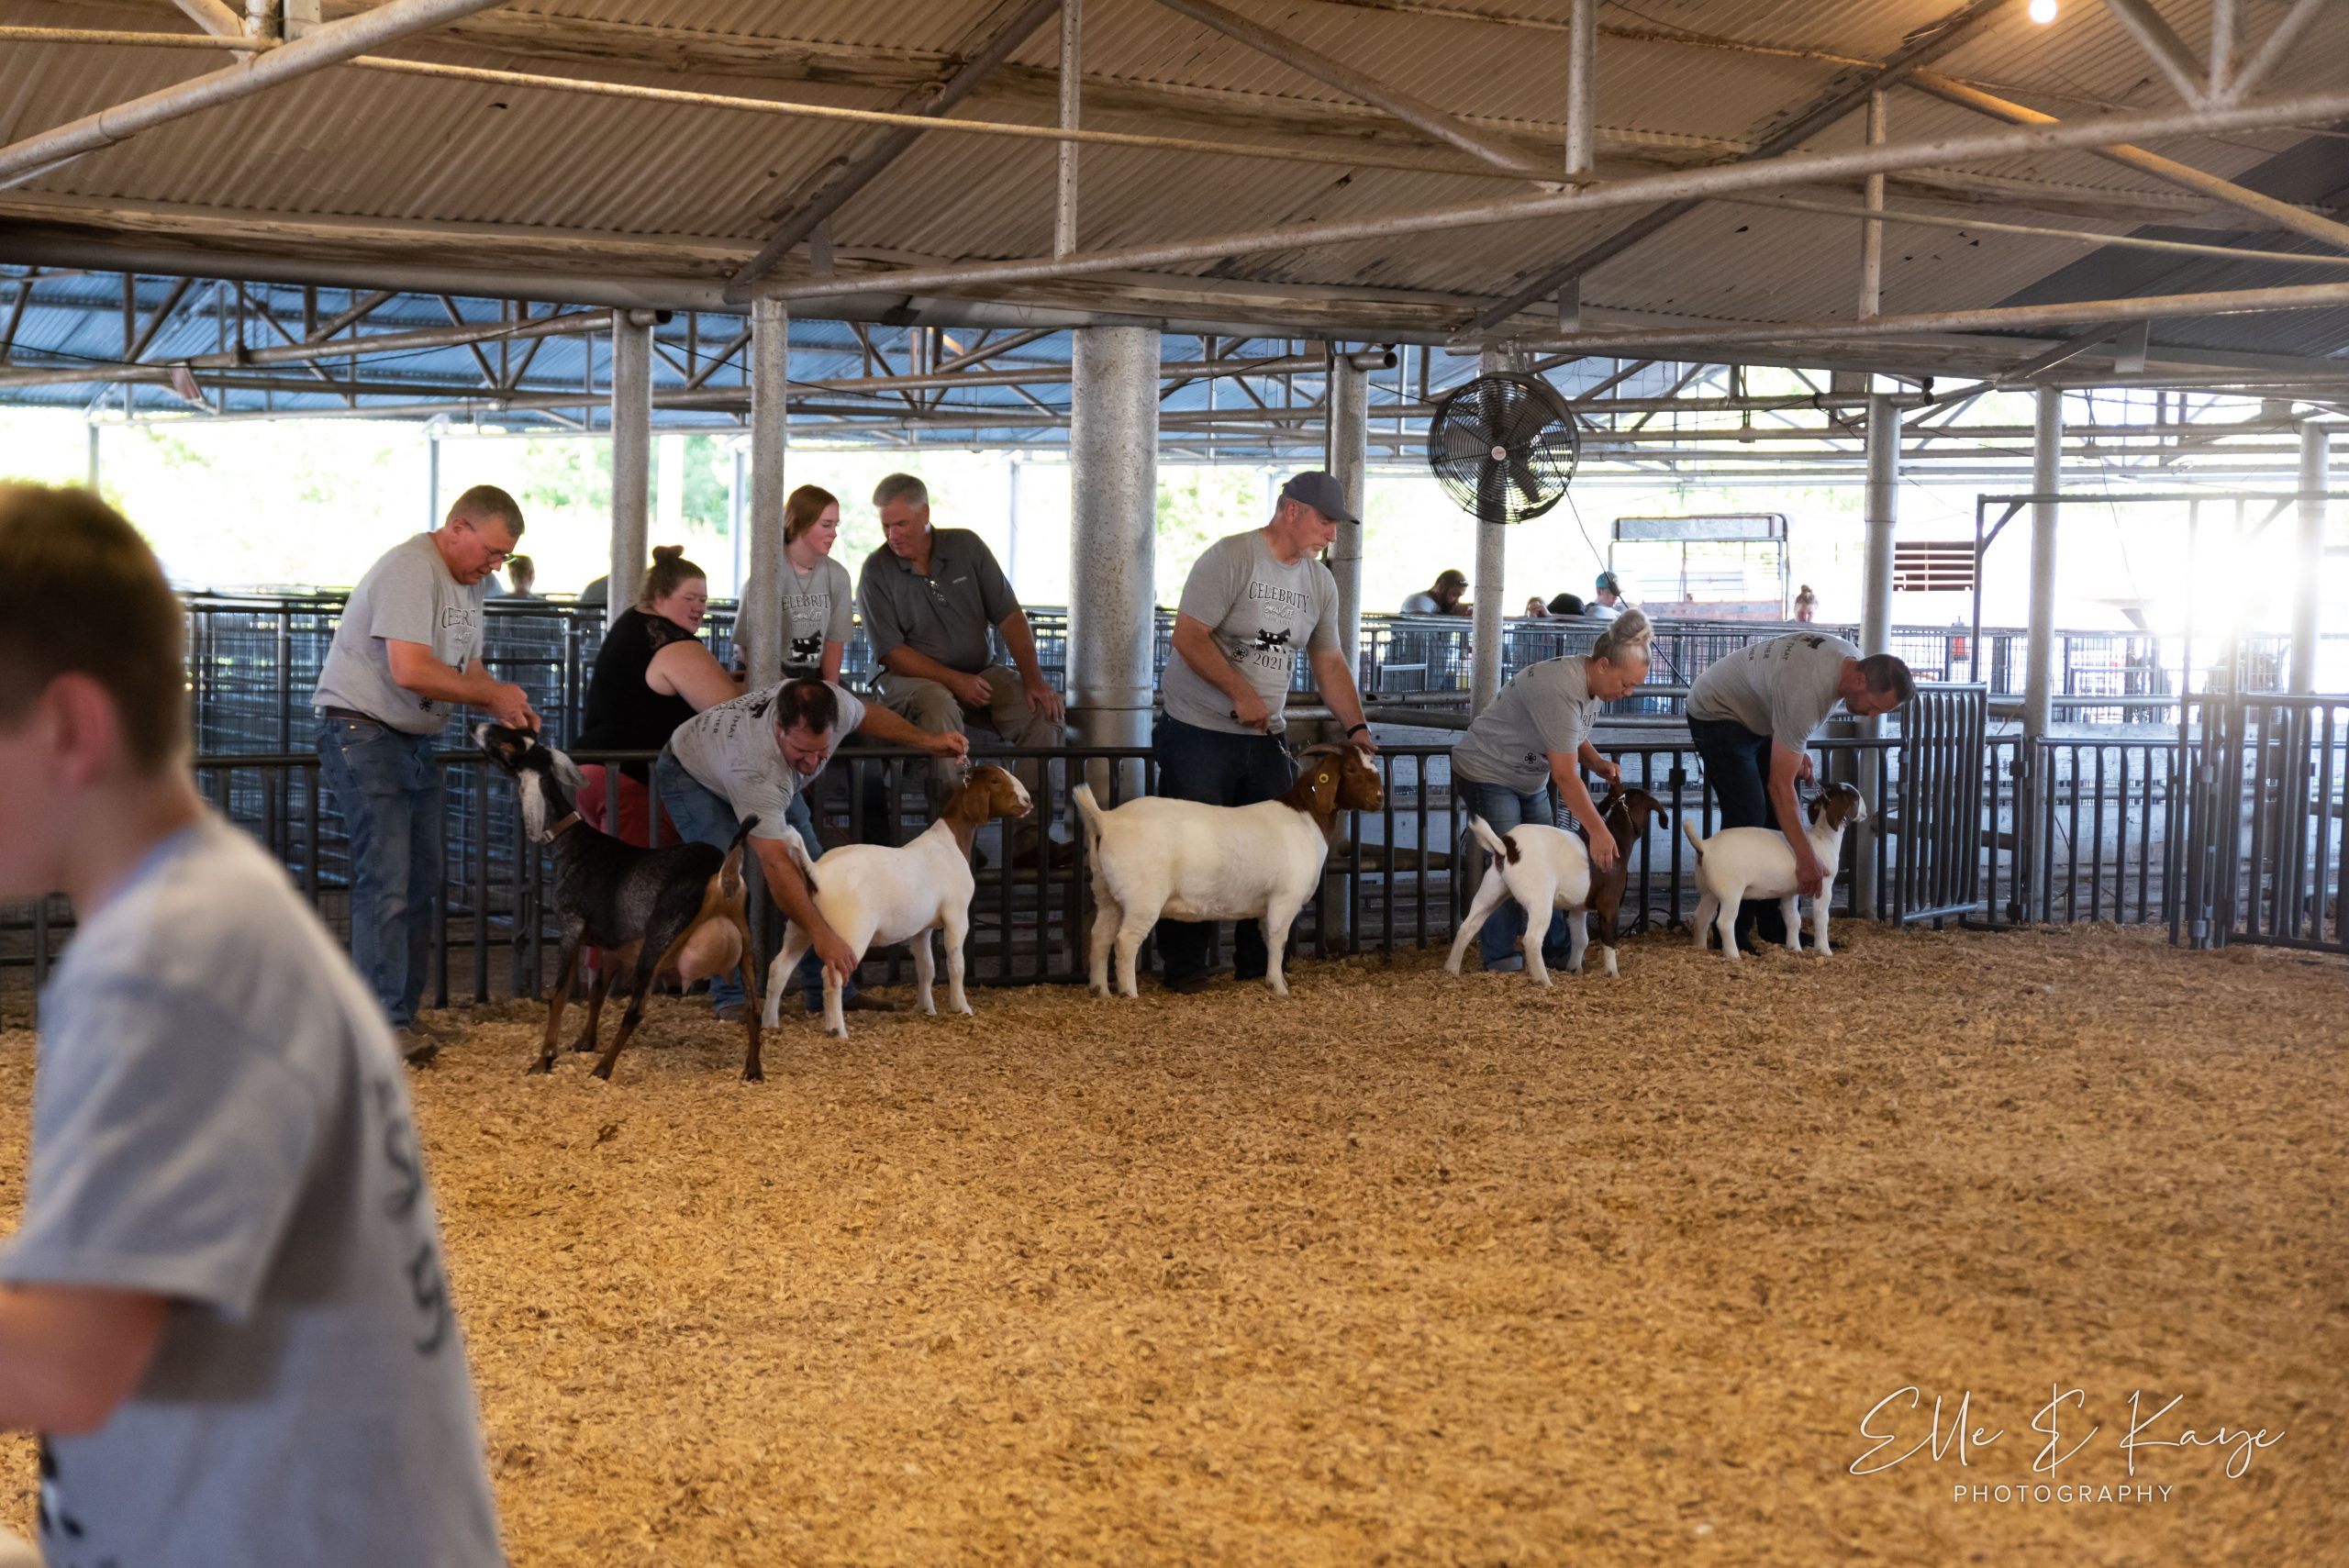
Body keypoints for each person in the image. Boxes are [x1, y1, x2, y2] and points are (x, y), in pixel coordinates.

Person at [0, 484, 505, 1568]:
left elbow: (67, 1360)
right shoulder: (204, 913)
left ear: (70, 729)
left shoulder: (169, 962)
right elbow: (99, 1285)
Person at [313, 484, 537, 1061]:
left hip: (409, 738)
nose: (495, 565)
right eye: (492, 551)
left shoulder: (469, 583)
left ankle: (401, 1016)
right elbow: (410, 669)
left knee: (419, 880)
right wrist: (490, 696)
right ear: (457, 527)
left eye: (504, 557)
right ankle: (378, 1025)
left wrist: (502, 700)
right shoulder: (411, 568)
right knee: (387, 880)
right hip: (364, 732)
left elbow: (468, 666)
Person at [1156, 470, 1380, 995]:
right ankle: (1185, 968)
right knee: (1194, 845)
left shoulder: (1319, 583)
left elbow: (1329, 660)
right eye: (1326, 521)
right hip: (1199, 729)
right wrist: (1240, 692)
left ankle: (1259, 965)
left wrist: (1356, 725)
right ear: (1291, 510)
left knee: (1271, 848)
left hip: (1264, 735)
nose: (1332, 534)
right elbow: (1188, 636)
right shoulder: (1231, 557)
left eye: (1337, 525)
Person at [657, 676, 968, 1021]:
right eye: (803, 751)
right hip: (692, 775)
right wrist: (822, 935)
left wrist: (928, 741)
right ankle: (730, 996)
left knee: (818, 869)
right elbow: (777, 864)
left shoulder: (836, 705)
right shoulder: (756, 769)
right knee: (725, 881)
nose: (812, 763)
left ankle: (830, 991)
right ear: (779, 729)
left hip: (770, 773)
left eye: (822, 752)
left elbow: (868, 714)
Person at [857, 473, 1063, 862]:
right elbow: (892, 652)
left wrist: (1035, 680)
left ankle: (1030, 838)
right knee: (937, 703)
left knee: (1041, 711)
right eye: (885, 526)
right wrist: (955, 680)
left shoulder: (966, 547)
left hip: (978, 671)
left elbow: (1009, 615)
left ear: (925, 514)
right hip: (906, 680)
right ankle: (955, 843)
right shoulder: (876, 571)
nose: (892, 535)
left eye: (901, 524)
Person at [1449, 609, 1653, 972]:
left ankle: (1555, 950)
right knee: (1512, 858)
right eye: (1625, 683)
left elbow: (1570, 732)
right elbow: (1565, 775)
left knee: (1551, 859)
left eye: (1633, 686)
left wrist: (1595, 762)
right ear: (1603, 665)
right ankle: (1500, 955)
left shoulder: (1592, 687)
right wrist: (1598, 829)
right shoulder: (1559, 687)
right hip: (1489, 769)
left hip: (1528, 777)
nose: (1628, 692)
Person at [1686, 631, 1915, 944]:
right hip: (1717, 710)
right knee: (1750, 813)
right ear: (1860, 680)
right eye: (1874, 707)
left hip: (1760, 713)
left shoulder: (1850, 662)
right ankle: (1733, 933)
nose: (1872, 716)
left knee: (1777, 819)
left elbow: (1789, 707)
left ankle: (1775, 927)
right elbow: (1779, 787)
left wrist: (1794, 745)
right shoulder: (1809, 693)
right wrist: (1807, 859)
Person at [573, 546, 742, 847]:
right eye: (689, 598)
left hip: (594, 771)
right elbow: (732, 710)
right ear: (660, 597)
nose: (698, 608)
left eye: (703, 600)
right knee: (637, 873)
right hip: (631, 781)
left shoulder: (632, 622)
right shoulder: (672, 641)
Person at [779, 484, 854, 682]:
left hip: (814, 675)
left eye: (835, 525)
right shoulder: (770, 572)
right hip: (772, 675)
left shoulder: (838, 575)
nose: (834, 533)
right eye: (826, 525)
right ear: (801, 523)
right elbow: (746, 647)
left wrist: (830, 690)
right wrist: (781, 684)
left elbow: (834, 641)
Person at [1402, 568, 1470, 616]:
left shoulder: (1441, 606)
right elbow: (1419, 622)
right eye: (1454, 595)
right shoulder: (1420, 600)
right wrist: (1454, 616)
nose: (1456, 601)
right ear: (1441, 587)